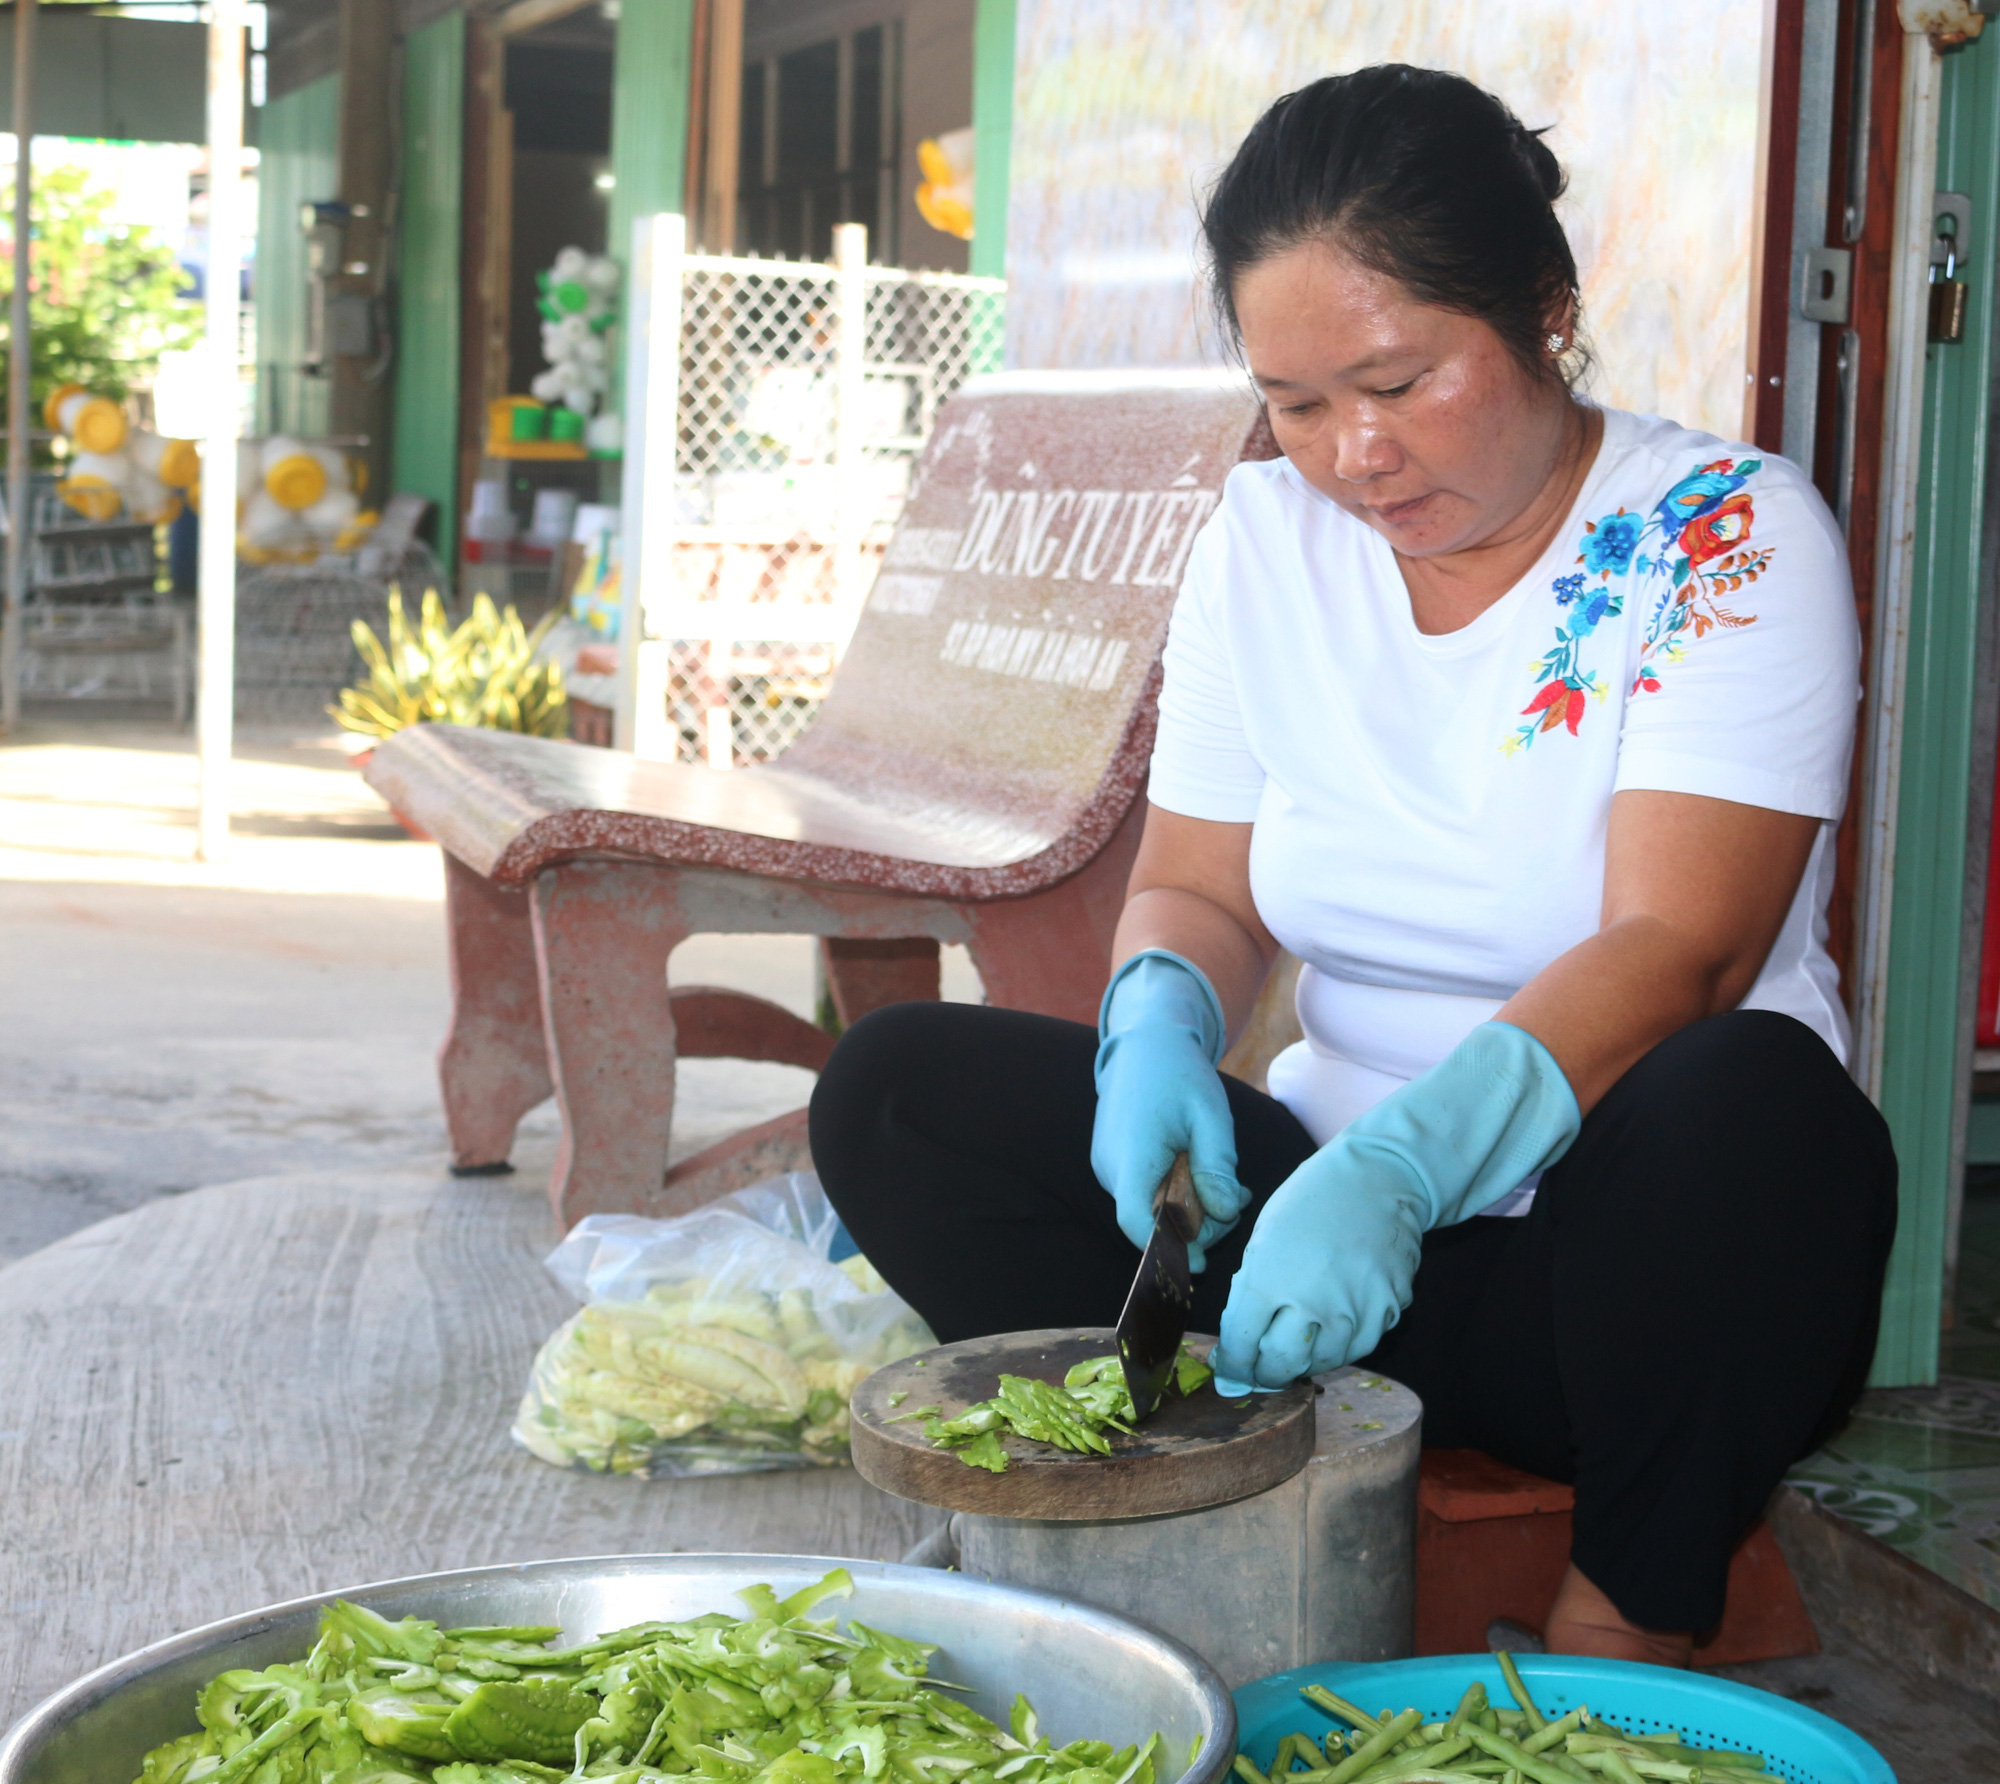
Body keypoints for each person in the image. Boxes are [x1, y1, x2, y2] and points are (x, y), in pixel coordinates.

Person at [809, 64, 1896, 1666]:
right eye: (1298, 403)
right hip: (1305, 1257)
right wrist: (1159, 1020)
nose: (1353, 455)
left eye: (1397, 381)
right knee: (895, 1091)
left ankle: (1620, 1636)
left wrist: (1403, 1174)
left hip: (1607, 1288)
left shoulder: (1722, 532)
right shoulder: (1265, 540)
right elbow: (1202, 881)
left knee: (1752, 1106)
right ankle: (1209, 1502)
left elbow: (1684, 946)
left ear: (1544, 307)